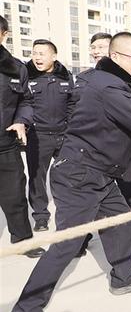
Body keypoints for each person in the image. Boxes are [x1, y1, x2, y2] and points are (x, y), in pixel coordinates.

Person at [5, 32, 131, 312]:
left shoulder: (109, 82)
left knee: (120, 219)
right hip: (79, 175)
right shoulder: (110, 86)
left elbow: (122, 128)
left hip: (99, 172)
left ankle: (123, 275)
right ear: (116, 57)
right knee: (67, 243)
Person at [0, 16, 45, 259]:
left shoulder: (16, 68)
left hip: (5, 145)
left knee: (15, 196)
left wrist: (21, 121)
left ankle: (22, 240)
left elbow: (26, 101)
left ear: (4, 35)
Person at [24, 39, 76, 232]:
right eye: (34, 53)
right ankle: (40, 217)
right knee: (37, 178)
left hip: (64, 135)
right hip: (38, 137)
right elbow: (22, 103)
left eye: (41, 53)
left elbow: (72, 103)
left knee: (69, 176)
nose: (37, 57)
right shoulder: (26, 76)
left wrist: (70, 127)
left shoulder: (65, 76)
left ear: (53, 56)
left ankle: (71, 216)